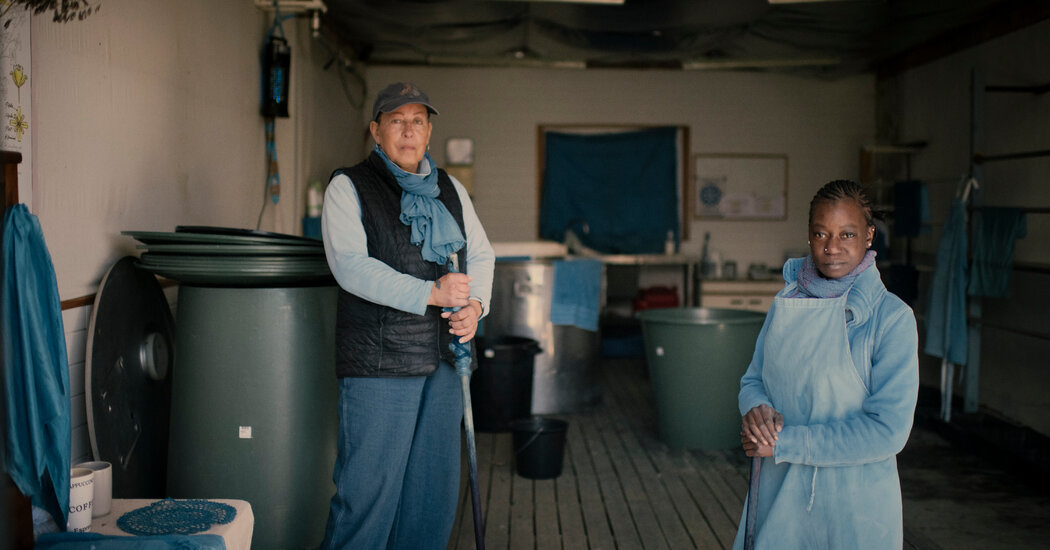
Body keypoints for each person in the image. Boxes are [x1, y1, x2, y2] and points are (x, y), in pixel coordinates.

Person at [319, 82, 495, 549]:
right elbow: (351, 268)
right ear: (376, 131)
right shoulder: (348, 187)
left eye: (417, 120)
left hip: (444, 358)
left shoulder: (451, 190)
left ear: (429, 131)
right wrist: (431, 293)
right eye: (396, 120)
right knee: (367, 497)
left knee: (430, 498)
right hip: (380, 363)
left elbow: (481, 255)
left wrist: (476, 306)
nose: (408, 130)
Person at [733, 180, 919, 550]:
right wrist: (756, 410)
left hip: (853, 508)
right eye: (821, 233)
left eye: (846, 234)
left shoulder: (891, 319)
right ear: (808, 236)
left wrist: (785, 442)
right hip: (779, 494)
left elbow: (887, 432)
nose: (831, 247)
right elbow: (754, 379)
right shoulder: (786, 303)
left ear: (869, 236)